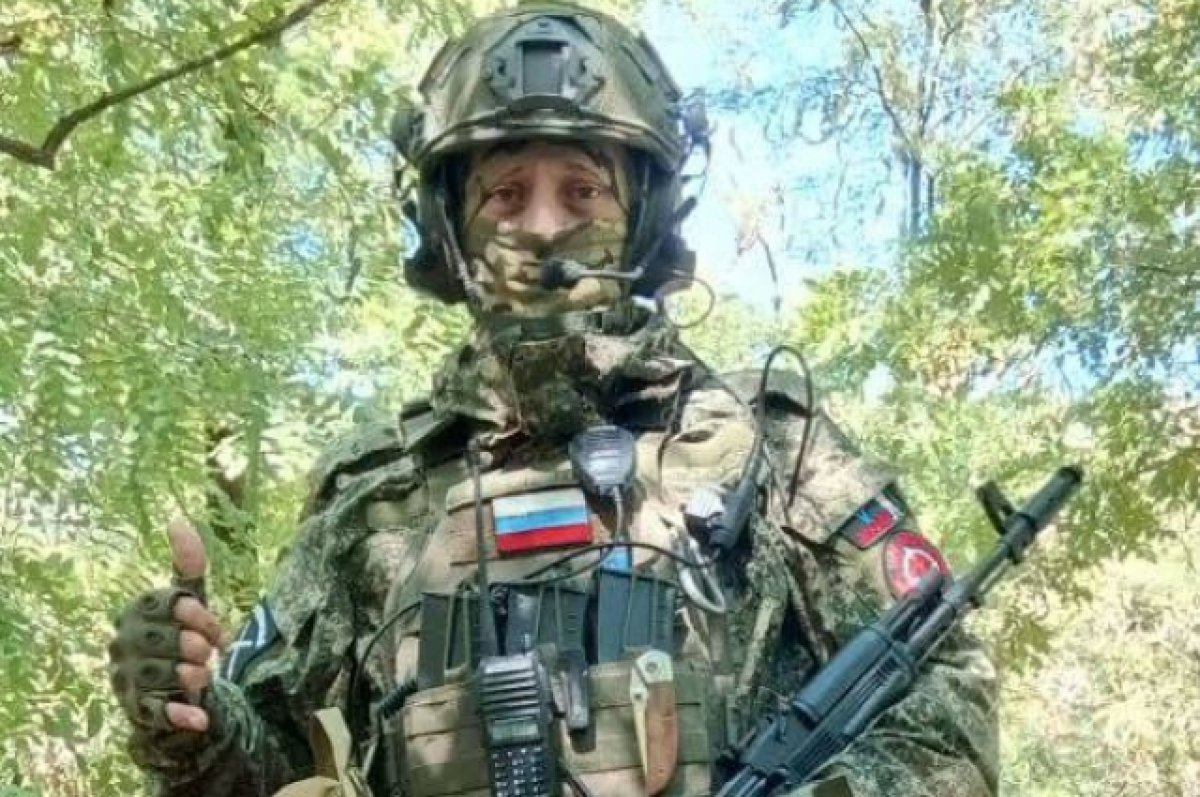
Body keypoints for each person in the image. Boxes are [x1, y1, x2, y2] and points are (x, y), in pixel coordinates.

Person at [107, 4, 999, 796]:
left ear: (644, 214)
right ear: (450, 226)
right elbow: (272, 770)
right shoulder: (371, 494)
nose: (542, 227)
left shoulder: (769, 448)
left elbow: (943, 699)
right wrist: (190, 720)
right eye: (505, 193)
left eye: (582, 189)